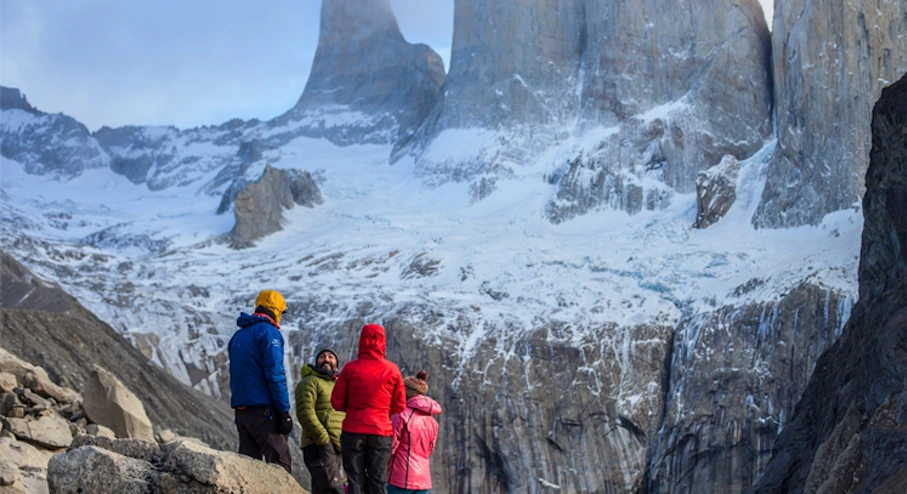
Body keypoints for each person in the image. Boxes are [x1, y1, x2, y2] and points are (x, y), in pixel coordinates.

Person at [331, 323, 406, 494]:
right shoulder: (392, 370)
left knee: (354, 480)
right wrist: (382, 412)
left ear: (361, 341)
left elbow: (336, 402)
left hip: (353, 429)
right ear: (383, 342)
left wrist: (353, 409)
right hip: (381, 431)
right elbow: (399, 405)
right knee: (378, 480)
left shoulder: (350, 368)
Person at [228, 289, 293, 473]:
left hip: (242, 412)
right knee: (280, 463)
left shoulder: (238, 335)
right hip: (264, 411)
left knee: (248, 467)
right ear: (277, 311)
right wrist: (283, 410)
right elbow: (274, 373)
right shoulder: (269, 333)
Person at [295, 348, 346, 494]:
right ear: (316, 362)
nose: (327, 359)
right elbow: (305, 413)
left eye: (331, 357)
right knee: (333, 489)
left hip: (336, 445)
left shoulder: (339, 385)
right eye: (322, 357)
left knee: (321, 488)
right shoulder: (310, 382)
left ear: (336, 364)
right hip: (318, 444)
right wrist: (323, 439)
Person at [386, 371, 442, 494]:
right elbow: (429, 450)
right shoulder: (433, 422)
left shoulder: (400, 415)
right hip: (423, 478)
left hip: (400, 477)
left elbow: (391, 447)